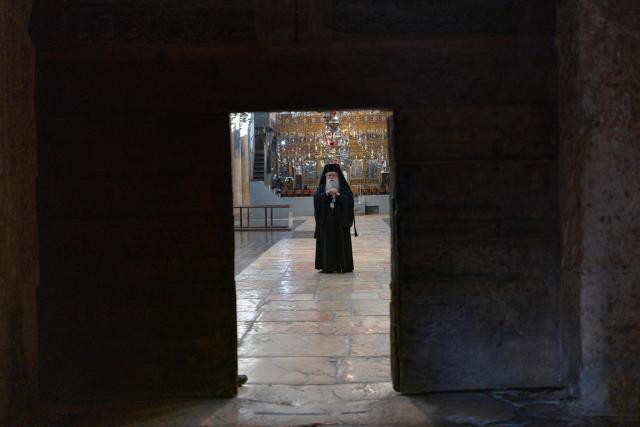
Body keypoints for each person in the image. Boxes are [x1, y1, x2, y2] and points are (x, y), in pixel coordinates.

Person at [314, 163, 357, 273]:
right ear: (326, 176)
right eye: (329, 175)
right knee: (327, 244)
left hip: (340, 221)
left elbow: (350, 202)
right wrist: (326, 194)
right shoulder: (322, 188)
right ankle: (327, 266)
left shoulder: (344, 188)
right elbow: (316, 202)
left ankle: (343, 265)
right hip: (326, 222)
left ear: (338, 176)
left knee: (341, 243)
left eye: (333, 175)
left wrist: (338, 195)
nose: (331, 177)